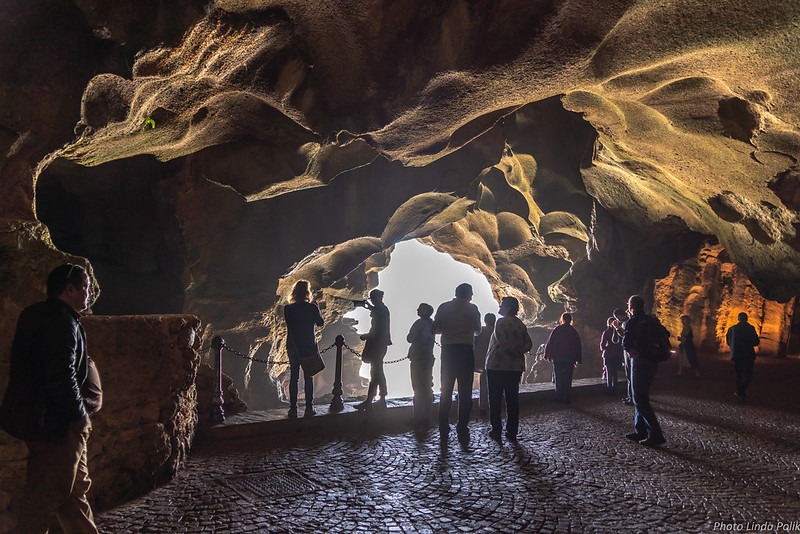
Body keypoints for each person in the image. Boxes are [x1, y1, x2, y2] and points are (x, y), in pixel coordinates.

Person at [0, 263, 102, 533]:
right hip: (56, 426)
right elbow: (60, 374)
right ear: (69, 289)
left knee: (74, 491)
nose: (88, 294)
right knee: (46, 494)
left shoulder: (39, 314)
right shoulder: (60, 321)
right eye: (85, 288)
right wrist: (78, 415)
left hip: (48, 420)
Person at [433, 283, 482, 441]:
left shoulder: (444, 307)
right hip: (466, 351)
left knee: (446, 390)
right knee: (465, 391)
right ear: (468, 294)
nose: (472, 297)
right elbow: (477, 330)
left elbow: (436, 329)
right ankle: (462, 426)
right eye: (471, 294)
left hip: (448, 351)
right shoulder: (473, 308)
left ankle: (443, 426)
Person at [622, 295, 666, 447]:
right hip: (652, 362)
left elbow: (625, 343)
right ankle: (640, 430)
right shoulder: (652, 320)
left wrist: (633, 350)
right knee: (641, 397)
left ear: (631, 306)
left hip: (640, 362)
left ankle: (656, 433)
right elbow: (665, 334)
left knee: (640, 399)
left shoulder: (632, 321)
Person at [485, 297, 532, 441]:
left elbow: (502, 341)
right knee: (512, 400)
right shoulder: (520, 324)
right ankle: (512, 431)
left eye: (502, 305)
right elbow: (529, 344)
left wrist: (512, 351)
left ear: (508, 307)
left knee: (495, 399)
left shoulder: (501, 322)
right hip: (515, 367)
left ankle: (496, 430)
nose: (499, 307)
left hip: (497, 366)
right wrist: (518, 352)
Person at [284, 280, 324, 418]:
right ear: (307, 292)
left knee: (294, 377)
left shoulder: (288, 309)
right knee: (309, 377)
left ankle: (293, 409)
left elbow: (290, 327)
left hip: (293, 346)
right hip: (308, 346)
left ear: (294, 292)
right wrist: (317, 308)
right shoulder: (311, 308)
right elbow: (320, 323)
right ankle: (308, 408)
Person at [355, 289, 392, 410]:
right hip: (381, 345)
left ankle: (372, 400)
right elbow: (377, 312)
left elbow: (376, 330)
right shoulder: (382, 309)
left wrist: (365, 336)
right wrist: (369, 307)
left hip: (377, 344)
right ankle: (379, 398)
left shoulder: (380, 310)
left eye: (372, 298)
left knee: (376, 373)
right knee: (378, 372)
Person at [406, 303, 435, 427]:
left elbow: (410, 338)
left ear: (424, 311)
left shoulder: (419, 323)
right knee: (427, 387)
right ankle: (426, 417)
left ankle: (417, 417)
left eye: (420, 309)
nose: (417, 310)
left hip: (418, 358)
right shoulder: (432, 324)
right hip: (428, 357)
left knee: (417, 387)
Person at [544, 313, 582, 403]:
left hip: (558, 357)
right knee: (568, 377)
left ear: (562, 319)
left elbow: (550, 343)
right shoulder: (573, 331)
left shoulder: (557, 330)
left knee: (558, 376)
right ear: (570, 320)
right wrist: (578, 358)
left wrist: (548, 355)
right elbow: (577, 346)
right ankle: (567, 396)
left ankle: (559, 396)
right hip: (569, 358)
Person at [726, 312, 760, 403]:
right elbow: (756, 342)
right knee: (748, 375)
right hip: (748, 354)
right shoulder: (750, 328)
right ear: (746, 319)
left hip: (737, 354)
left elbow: (728, 342)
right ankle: (740, 391)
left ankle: (740, 392)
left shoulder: (732, 329)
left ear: (738, 319)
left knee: (739, 374)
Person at [473, 313, 496, 415]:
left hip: (481, 360)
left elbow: (474, 343)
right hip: (495, 360)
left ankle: (483, 406)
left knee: (483, 383)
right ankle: (494, 405)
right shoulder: (497, 331)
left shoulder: (481, 331)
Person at [613, 308, 633, 405]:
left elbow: (625, 336)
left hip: (628, 352)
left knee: (629, 375)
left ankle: (632, 397)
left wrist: (617, 328)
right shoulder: (629, 321)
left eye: (616, 317)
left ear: (619, 316)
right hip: (629, 351)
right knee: (630, 375)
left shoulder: (625, 323)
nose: (617, 319)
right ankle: (631, 396)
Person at [600, 316, 624, 394]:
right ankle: (615, 388)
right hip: (616, 355)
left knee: (609, 372)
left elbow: (602, 345)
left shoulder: (606, 333)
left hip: (608, 355)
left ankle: (610, 388)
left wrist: (606, 348)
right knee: (614, 373)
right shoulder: (618, 333)